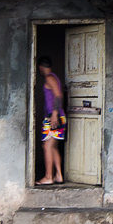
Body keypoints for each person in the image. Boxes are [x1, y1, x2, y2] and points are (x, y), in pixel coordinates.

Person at [36, 56, 66, 185]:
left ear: (40, 67)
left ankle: (48, 176)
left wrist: (54, 114)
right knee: (53, 146)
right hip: (56, 115)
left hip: (54, 116)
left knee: (47, 145)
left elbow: (58, 95)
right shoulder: (53, 77)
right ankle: (58, 175)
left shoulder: (49, 78)